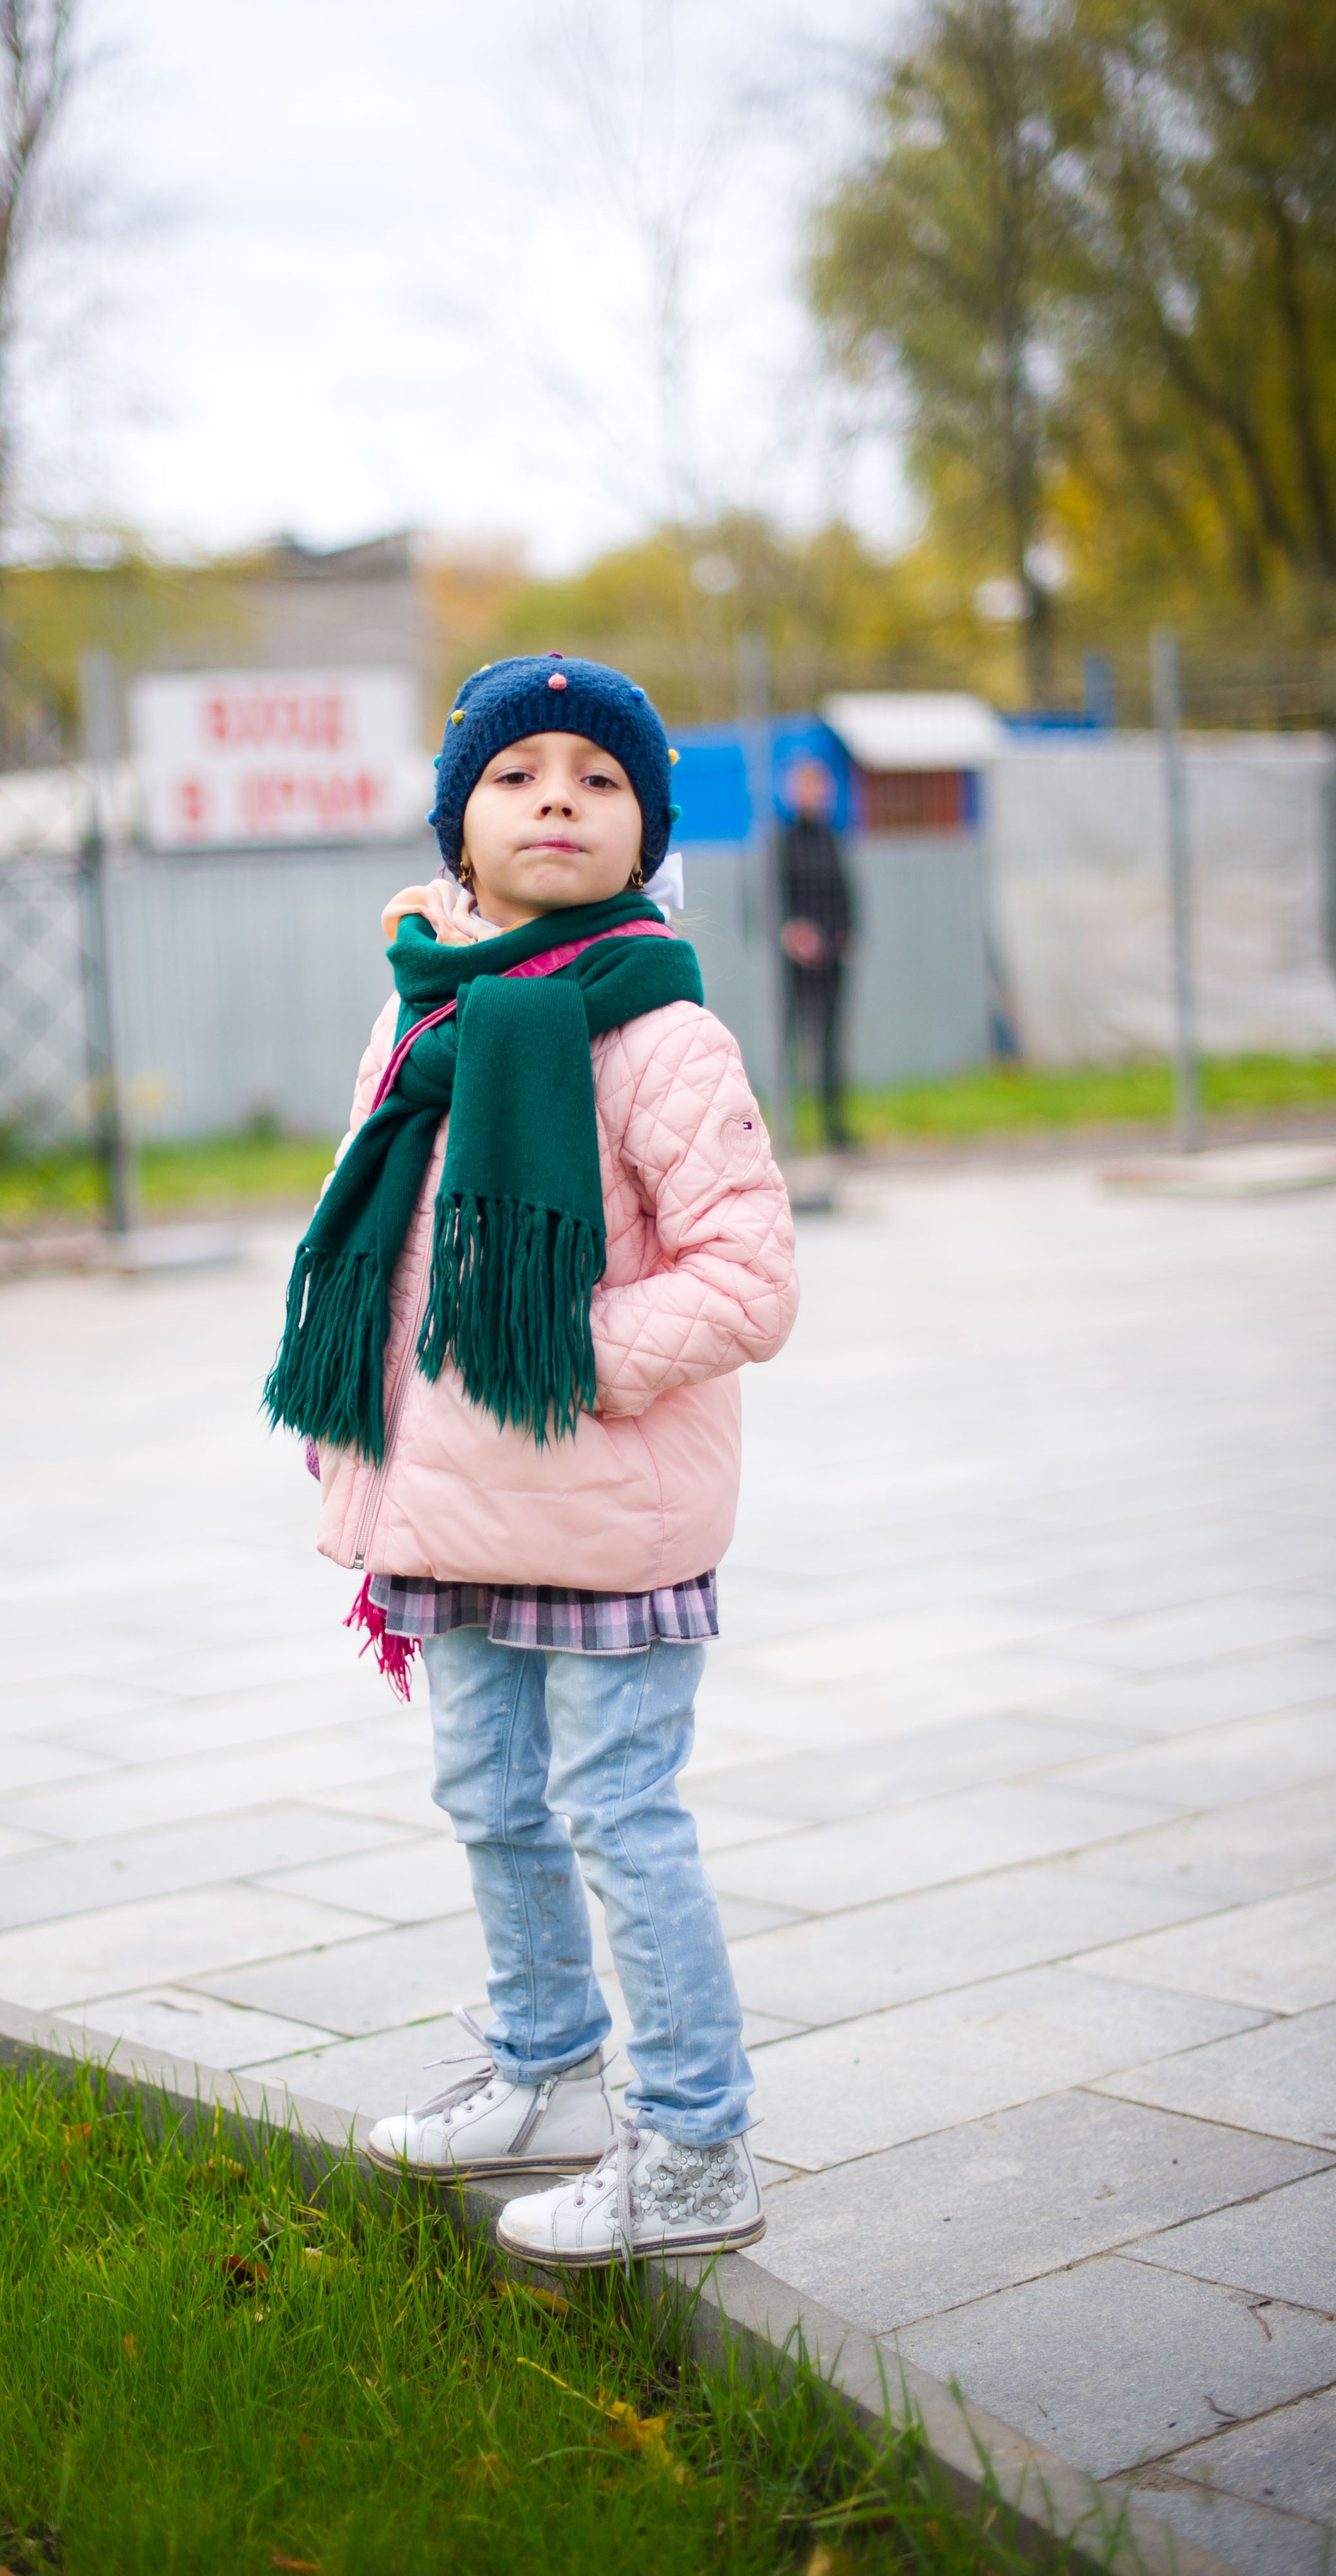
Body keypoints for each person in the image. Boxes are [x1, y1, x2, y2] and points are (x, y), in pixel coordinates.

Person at [266, 653, 798, 2270]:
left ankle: (695, 2140)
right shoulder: (416, 1002)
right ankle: (548, 2071)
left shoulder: (658, 1029)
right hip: (443, 1500)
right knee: (488, 1797)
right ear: (456, 826)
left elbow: (746, 1276)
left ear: (641, 833)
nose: (553, 792)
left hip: (598, 1497)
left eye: (595, 772)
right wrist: (355, 1436)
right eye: (513, 771)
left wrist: (557, 1357)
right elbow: (378, 1238)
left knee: (613, 1811)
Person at [779, 756, 857, 1152]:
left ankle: (835, 1128)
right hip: (792, 967)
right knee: (789, 1043)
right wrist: (791, 932)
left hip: (832, 961)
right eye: (808, 788)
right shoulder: (782, 842)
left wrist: (850, 932)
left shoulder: (831, 837)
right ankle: (783, 1127)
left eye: (822, 788)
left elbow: (845, 891)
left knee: (832, 1046)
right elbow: (769, 900)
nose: (817, 796)